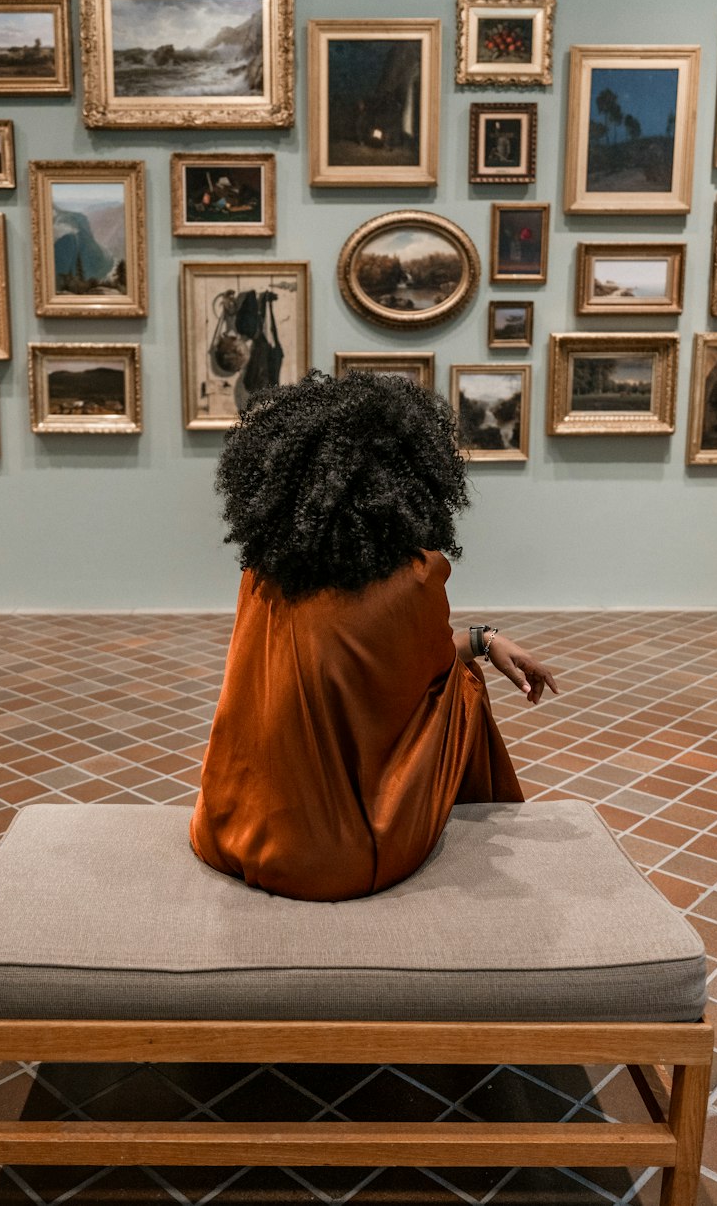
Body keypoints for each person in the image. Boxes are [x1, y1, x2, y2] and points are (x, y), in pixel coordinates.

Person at [190, 371, 559, 901]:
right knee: (463, 689)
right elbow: (425, 671)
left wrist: (482, 637)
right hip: (338, 863)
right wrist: (483, 644)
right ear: (414, 480)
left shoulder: (263, 576)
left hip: (226, 832)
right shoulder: (414, 579)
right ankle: (488, 824)